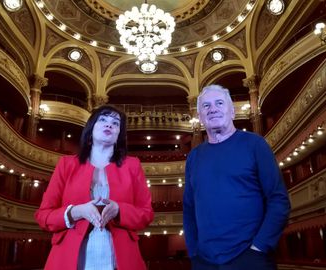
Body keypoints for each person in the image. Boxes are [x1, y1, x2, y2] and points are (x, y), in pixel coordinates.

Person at [183, 84, 290, 270]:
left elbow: (278, 199)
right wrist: (193, 251)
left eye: (219, 103)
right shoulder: (194, 156)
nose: (213, 109)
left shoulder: (255, 144)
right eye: (206, 106)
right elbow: (189, 208)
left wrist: (259, 248)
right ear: (199, 117)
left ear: (232, 112)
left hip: (249, 258)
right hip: (204, 262)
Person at [35, 105, 154, 270]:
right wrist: (77, 211)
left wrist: (119, 210)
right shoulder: (66, 165)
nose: (109, 125)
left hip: (120, 260)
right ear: (91, 128)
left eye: (115, 123)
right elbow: (44, 216)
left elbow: (146, 214)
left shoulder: (132, 166)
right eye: (103, 119)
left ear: (119, 134)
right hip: (70, 261)